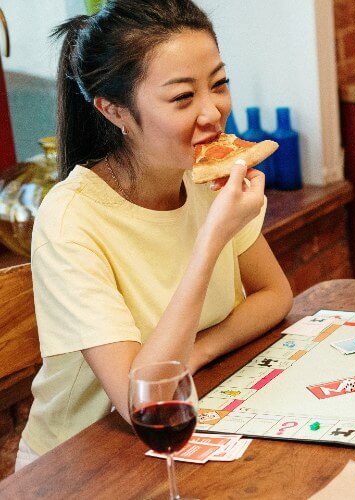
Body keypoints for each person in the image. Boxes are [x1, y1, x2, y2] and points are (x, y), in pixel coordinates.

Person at [18, 0, 293, 470]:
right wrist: (212, 240)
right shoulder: (70, 220)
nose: (213, 112)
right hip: (80, 464)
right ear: (115, 111)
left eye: (219, 84)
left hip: (189, 429)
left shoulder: (202, 175)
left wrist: (197, 353)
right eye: (183, 98)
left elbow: (275, 294)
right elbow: (139, 401)